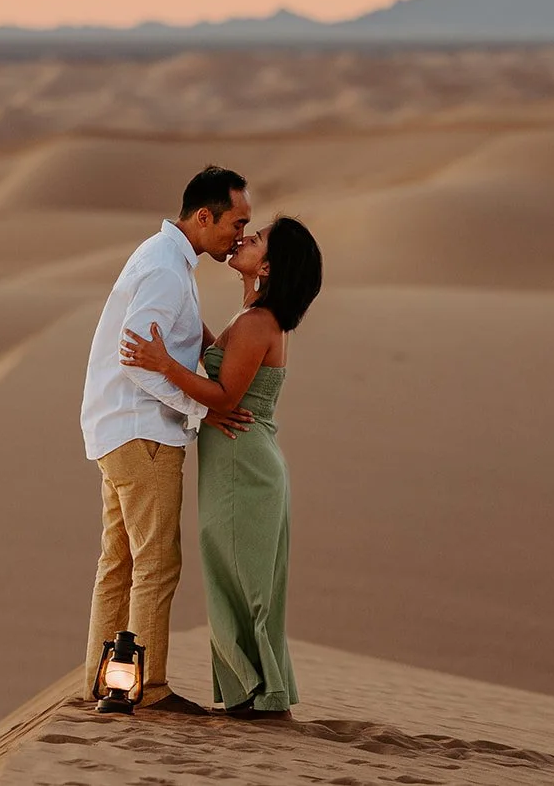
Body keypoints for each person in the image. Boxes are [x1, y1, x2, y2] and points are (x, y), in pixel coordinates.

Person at [121, 215, 323, 720]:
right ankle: (252, 693)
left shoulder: (258, 323)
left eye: (259, 240)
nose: (246, 238)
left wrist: (163, 364)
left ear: (272, 264)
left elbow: (226, 394)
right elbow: (221, 355)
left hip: (243, 467)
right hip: (240, 463)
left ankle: (260, 698)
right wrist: (242, 285)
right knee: (235, 576)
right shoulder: (254, 313)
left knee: (243, 580)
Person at [81, 166, 255, 715]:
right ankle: (146, 688)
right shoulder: (164, 268)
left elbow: (171, 336)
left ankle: (103, 681)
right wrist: (203, 407)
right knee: (156, 564)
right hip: (143, 431)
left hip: (121, 429)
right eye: (237, 221)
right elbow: (138, 361)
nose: (240, 233)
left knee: (121, 563)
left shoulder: (164, 258)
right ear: (204, 217)